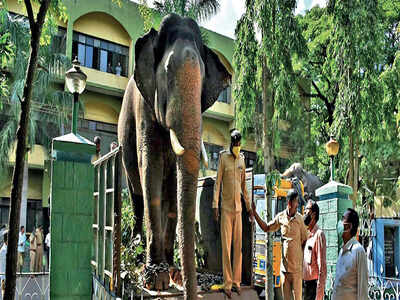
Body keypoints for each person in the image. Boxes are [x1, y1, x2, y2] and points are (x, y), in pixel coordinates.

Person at [213, 129, 253, 298]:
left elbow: (244, 187)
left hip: (238, 210)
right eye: (234, 143)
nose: (237, 146)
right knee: (227, 247)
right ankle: (227, 283)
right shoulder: (223, 158)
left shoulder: (242, 159)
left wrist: (249, 207)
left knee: (239, 248)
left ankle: (236, 282)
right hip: (226, 209)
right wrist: (215, 205)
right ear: (230, 142)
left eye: (239, 143)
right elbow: (218, 183)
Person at [252, 189, 308, 300]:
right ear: (289, 203)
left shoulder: (300, 220)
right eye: (296, 202)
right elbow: (266, 228)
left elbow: (304, 241)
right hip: (284, 271)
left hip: (297, 271)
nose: (297, 204)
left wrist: (301, 262)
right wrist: (255, 213)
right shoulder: (280, 217)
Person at [332, 208, 368, 300]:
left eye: (342, 219)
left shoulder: (358, 251)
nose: (339, 222)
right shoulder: (342, 250)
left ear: (349, 226)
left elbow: (363, 289)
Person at [302, 200, 327, 300]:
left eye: (306, 210)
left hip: (313, 285)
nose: (304, 213)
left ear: (313, 214)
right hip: (305, 285)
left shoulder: (319, 235)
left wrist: (319, 294)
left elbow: (322, 267)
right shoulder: (306, 234)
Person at [0, 230, 7, 297]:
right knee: (4, 293)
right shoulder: (3, 250)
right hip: (4, 276)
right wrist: (3, 278)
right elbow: (2, 266)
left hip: (7, 275)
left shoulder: (6, 249)